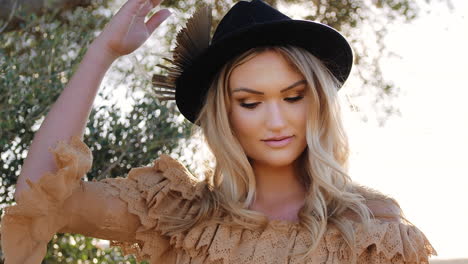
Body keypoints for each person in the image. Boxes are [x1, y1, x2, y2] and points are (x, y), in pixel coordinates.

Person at [0, 0, 437, 263]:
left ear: (318, 102)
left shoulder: (372, 229)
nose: (277, 120)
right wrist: (101, 54)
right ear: (223, 116)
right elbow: (38, 196)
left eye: (293, 96)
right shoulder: (176, 214)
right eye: (250, 102)